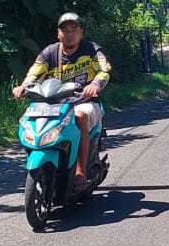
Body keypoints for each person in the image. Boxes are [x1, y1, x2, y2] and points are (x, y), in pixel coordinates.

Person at [13, 12, 111, 189]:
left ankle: (80, 172)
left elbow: (104, 70)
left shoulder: (91, 50)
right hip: (53, 104)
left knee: (80, 116)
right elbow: (34, 73)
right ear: (58, 33)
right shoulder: (49, 52)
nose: (69, 34)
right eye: (65, 30)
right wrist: (23, 87)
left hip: (85, 101)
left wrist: (95, 85)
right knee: (31, 120)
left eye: (74, 29)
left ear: (81, 32)